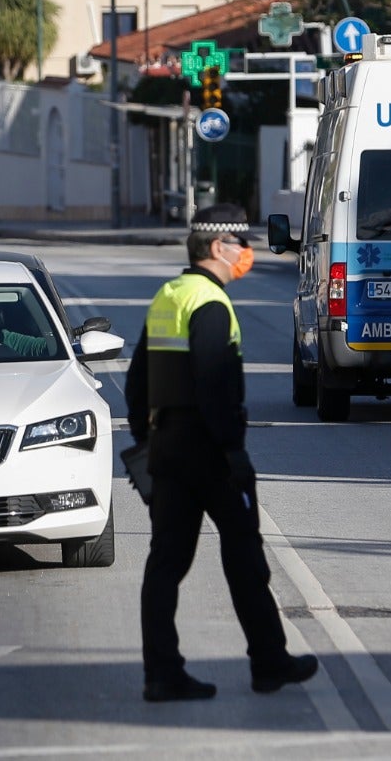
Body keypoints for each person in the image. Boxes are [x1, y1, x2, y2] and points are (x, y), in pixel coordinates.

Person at [124, 203, 318, 703]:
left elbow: (137, 379)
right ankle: (269, 662)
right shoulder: (209, 303)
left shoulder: (169, 295)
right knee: (245, 558)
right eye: (242, 243)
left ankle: (161, 673)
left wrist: (145, 442)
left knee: (165, 563)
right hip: (209, 452)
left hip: (168, 447)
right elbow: (213, 385)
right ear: (217, 248)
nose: (248, 253)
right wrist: (233, 452)